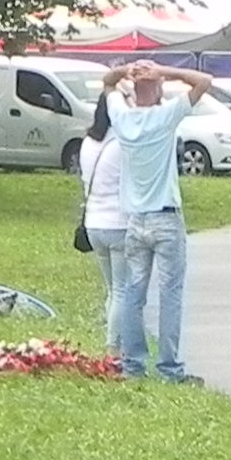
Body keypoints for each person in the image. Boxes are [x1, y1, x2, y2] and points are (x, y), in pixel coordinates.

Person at [97, 57, 215, 383]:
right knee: (170, 293)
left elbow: (107, 81)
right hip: (165, 216)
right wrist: (164, 70)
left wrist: (127, 71)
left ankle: (133, 364)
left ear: (134, 89)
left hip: (135, 220)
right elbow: (204, 81)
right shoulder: (166, 116)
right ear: (159, 87)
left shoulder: (122, 117)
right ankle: (169, 368)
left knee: (133, 294)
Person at [80, 97, 129, 314]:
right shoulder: (123, 142)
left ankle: (111, 330)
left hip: (93, 223)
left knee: (112, 290)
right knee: (122, 291)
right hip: (119, 222)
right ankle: (117, 336)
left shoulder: (88, 142)